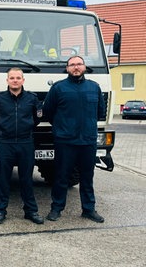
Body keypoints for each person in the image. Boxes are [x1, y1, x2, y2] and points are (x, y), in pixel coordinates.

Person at [43, 55, 106, 223]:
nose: (76, 67)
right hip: (65, 141)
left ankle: (89, 209)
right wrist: (62, 127)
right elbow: (48, 112)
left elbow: (101, 112)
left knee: (87, 177)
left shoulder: (94, 87)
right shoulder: (58, 88)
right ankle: (56, 209)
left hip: (88, 141)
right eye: (72, 65)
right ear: (67, 68)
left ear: (84, 67)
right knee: (61, 177)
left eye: (79, 64)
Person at [0, 67, 44, 224]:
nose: (15, 80)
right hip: (5, 143)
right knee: (3, 179)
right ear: (7, 80)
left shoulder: (32, 99)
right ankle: (0, 211)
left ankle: (31, 211)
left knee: (27, 179)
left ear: (23, 80)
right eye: (12, 78)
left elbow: (37, 119)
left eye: (18, 78)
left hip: (26, 143)